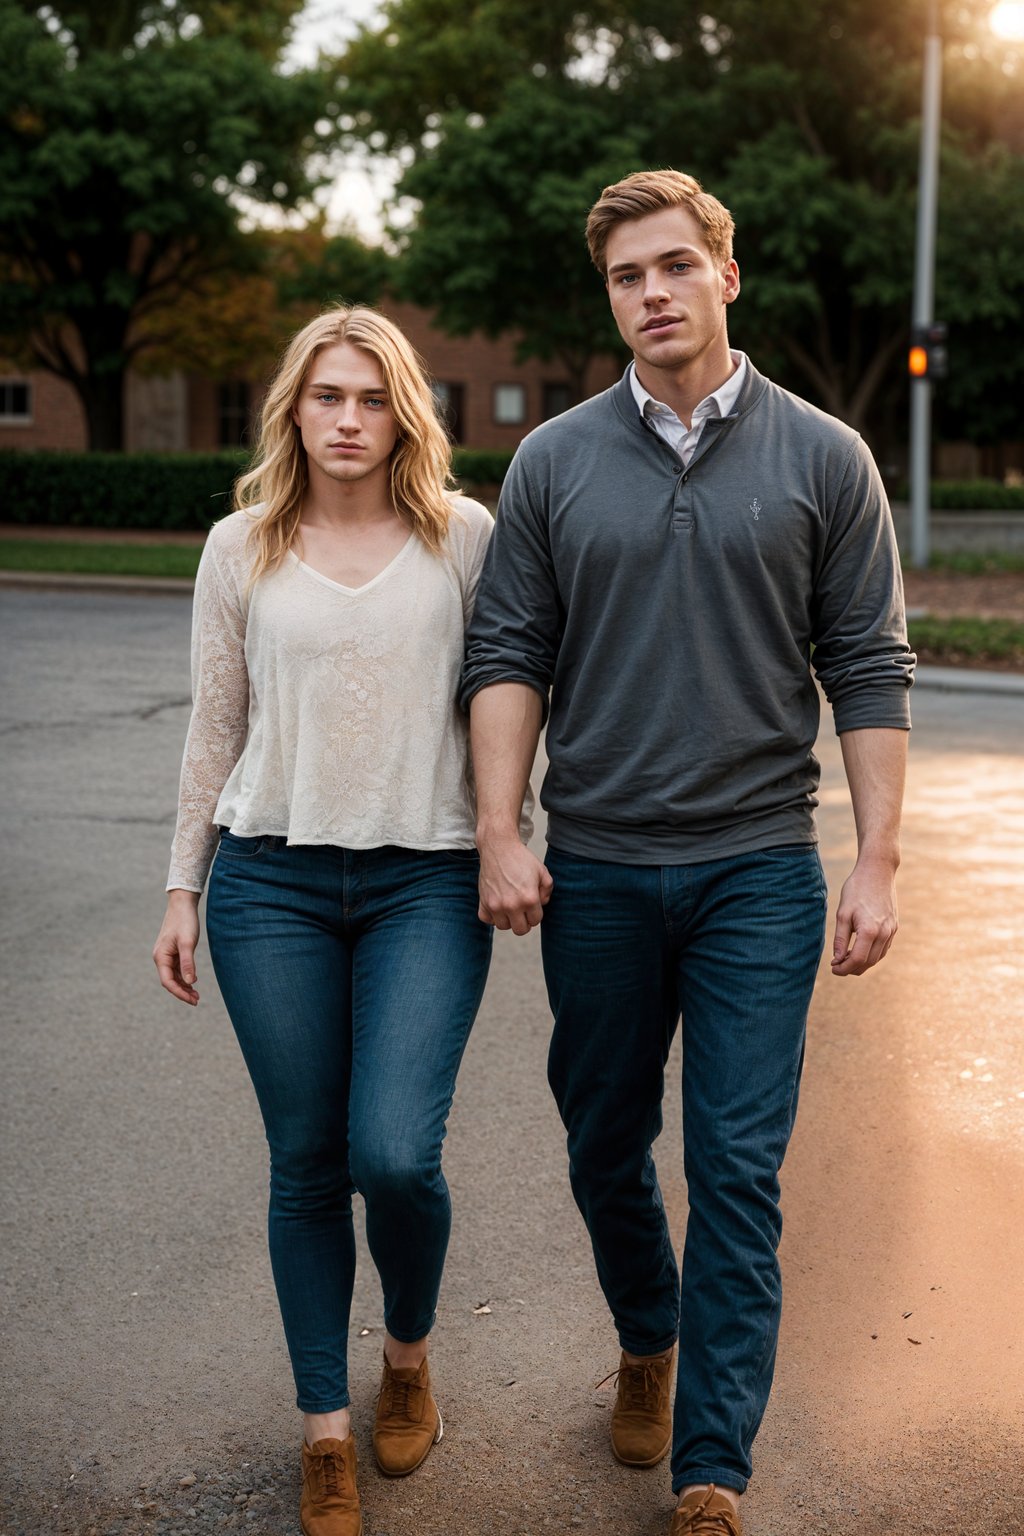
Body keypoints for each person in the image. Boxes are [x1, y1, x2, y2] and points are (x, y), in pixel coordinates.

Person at [461, 170, 914, 1536]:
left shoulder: (826, 455)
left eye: (673, 267)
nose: (650, 294)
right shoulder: (552, 459)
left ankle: (712, 1464)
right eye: (623, 277)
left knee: (734, 1164)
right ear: (609, 297)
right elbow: (507, 655)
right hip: (594, 864)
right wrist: (501, 828)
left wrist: (877, 858)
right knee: (604, 1143)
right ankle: (646, 1335)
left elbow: (870, 665)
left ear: (726, 273)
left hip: (756, 871)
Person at [153, 305, 497, 1536]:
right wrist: (184, 887)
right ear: (292, 408)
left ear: (403, 410)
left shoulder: (464, 538)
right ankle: (324, 1432)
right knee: (305, 1163)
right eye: (324, 398)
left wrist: (515, 838)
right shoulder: (240, 544)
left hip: (427, 880)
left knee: (394, 1152)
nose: (347, 421)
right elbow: (214, 726)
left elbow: (509, 709)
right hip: (271, 883)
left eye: (369, 399)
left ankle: (406, 1355)